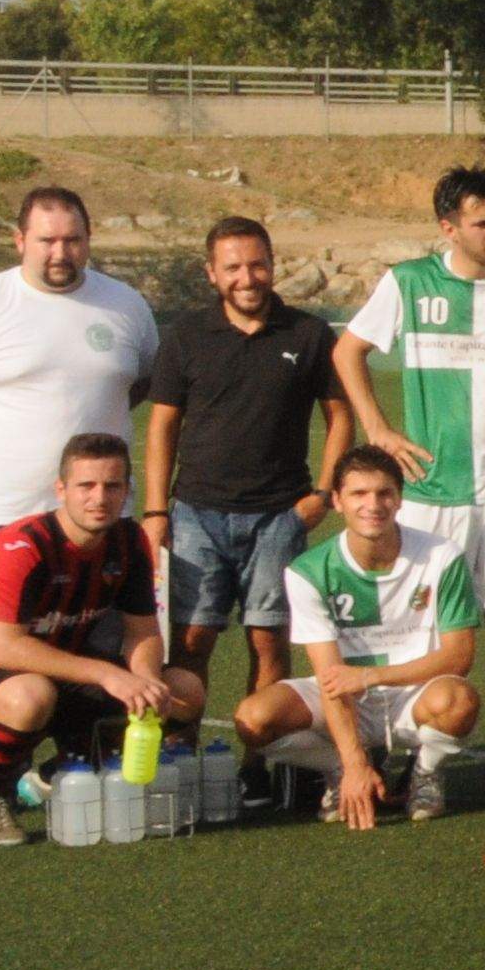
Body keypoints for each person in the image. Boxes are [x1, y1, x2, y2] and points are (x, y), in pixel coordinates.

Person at [0, 430, 197, 848]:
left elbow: (142, 630)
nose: (99, 498)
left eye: (112, 486)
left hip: (61, 674)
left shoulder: (129, 541)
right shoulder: (22, 545)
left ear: (126, 490)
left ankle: (58, 774)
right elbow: (5, 648)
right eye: (86, 486)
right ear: (61, 489)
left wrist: (144, 680)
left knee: (182, 691)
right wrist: (109, 675)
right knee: (30, 695)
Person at [337, 168, 485, 670]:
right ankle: (428, 726)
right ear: (448, 228)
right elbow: (347, 351)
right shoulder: (409, 282)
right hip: (430, 487)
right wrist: (377, 428)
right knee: (424, 629)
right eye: (483, 224)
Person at [143, 212, 346, 714]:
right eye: (232, 268)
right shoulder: (187, 336)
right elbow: (162, 426)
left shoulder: (309, 334)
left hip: (279, 515)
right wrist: (156, 512)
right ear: (212, 273)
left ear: (273, 265)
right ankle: (182, 750)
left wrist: (322, 495)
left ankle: (263, 754)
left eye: (257, 265)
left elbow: (341, 418)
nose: (247, 278)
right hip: (196, 514)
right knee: (192, 639)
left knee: (269, 640)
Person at [0, 183, 157, 569]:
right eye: (47, 240)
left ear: (89, 240)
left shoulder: (126, 304)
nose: (60, 253)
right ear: (20, 241)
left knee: (105, 612)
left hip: (102, 512)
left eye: (72, 240)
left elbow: (144, 379)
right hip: (1, 512)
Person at [243, 443, 479, 830]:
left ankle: (424, 772)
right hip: (345, 695)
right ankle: (340, 771)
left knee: (459, 699)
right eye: (359, 494)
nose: (373, 505)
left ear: (399, 499)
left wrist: (370, 676)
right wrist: (353, 763)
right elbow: (331, 677)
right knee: (254, 719)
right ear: (337, 501)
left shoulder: (442, 555)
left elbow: (459, 657)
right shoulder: (307, 571)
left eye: (384, 493)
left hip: (413, 693)